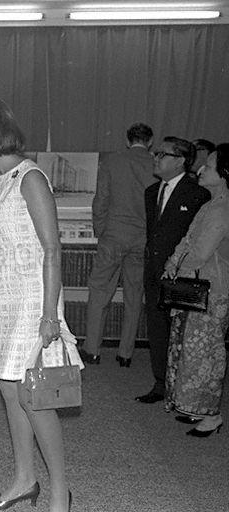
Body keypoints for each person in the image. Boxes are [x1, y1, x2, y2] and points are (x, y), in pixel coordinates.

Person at [0, 96, 82, 512]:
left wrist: (50, 314)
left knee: (35, 398)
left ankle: (58, 491)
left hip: (34, 300)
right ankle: (24, 479)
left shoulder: (30, 177)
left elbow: (52, 249)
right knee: (9, 393)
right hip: (5, 299)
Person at [136, 137, 210, 404]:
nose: (156, 158)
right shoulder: (151, 191)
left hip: (181, 275)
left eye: (162, 154)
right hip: (154, 272)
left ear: (180, 160)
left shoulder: (197, 193)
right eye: (156, 154)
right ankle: (160, 383)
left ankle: (182, 388)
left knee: (181, 333)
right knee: (157, 329)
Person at [163, 143, 229, 436]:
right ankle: (194, 407)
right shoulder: (210, 204)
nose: (201, 169)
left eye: (210, 166)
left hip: (212, 291)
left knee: (206, 354)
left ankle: (211, 414)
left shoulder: (222, 209)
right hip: (197, 286)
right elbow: (187, 240)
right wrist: (172, 260)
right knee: (190, 350)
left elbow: (201, 250)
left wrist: (177, 266)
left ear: (225, 173)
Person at [81, 123, 157, 367]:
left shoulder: (112, 162)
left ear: (127, 140)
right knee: (135, 297)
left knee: (99, 293)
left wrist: (100, 231)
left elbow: (101, 200)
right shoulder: (155, 164)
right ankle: (126, 354)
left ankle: (92, 350)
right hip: (142, 237)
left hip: (113, 235)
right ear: (150, 141)